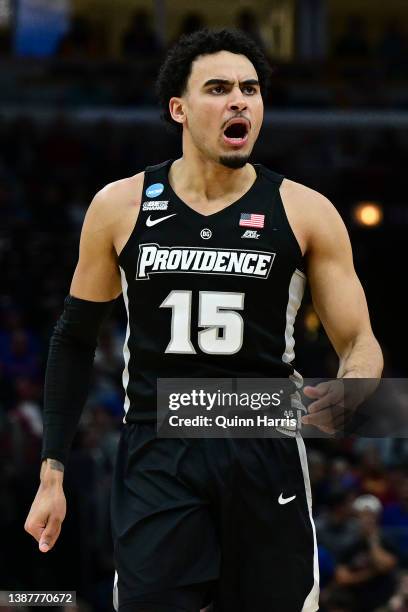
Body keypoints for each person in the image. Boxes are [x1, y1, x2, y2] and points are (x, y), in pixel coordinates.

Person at [24, 28, 383, 612]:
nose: (239, 100)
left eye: (250, 89)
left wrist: (357, 387)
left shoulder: (305, 210)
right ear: (180, 109)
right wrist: (52, 470)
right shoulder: (121, 204)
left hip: (264, 442)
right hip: (158, 445)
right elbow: (73, 340)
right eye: (218, 88)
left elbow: (360, 341)